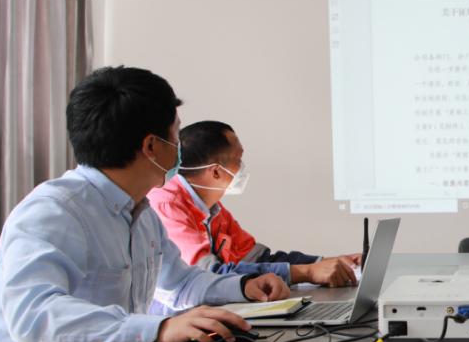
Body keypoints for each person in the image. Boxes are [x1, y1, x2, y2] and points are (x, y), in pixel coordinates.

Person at [0, 67, 290, 342]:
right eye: (176, 135)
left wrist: (244, 287)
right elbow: (33, 315)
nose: (180, 148)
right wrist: (158, 329)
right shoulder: (53, 211)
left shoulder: (142, 214)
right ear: (152, 146)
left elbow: (181, 284)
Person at [147, 121, 360, 288]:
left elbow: (257, 258)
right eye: (238, 160)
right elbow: (208, 274)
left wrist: (329, 262)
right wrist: (307, 272)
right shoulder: (167, 206)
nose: (242, 167)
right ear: (216, 172)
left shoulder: (212, 209)